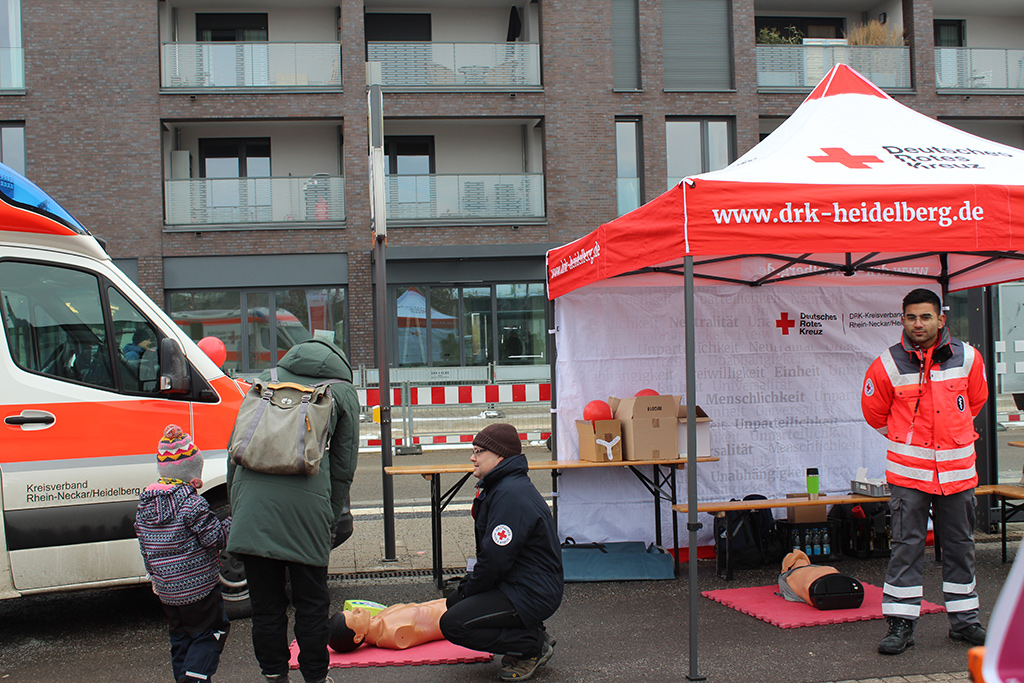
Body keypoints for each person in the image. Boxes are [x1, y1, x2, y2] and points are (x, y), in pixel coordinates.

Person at [861, 288, 988, 655]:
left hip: (957, 475)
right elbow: (874, 413)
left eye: (926, 317)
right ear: (902, 320)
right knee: (906, 549)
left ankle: (965, 622)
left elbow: (975, 401)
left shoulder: (968, 358)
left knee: (961, 548)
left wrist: (951, 435)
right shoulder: (887, 364)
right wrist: (906, 437)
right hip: (910, 477)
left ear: (941, 319)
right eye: (912, 317)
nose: (919, 324)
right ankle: (900, 625)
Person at [227, 339, 359, 683]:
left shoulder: (264, 381)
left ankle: (273, 675)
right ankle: (316, 677)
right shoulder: (341, 392)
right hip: (308, 506)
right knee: (311, 603)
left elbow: (236, 447)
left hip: (252, 507)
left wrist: (239, 506)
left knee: (266, 607)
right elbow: (344, 465)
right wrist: (329, 517)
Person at [439, 423, 563, 682]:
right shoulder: (504, 486)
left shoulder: (510, 495)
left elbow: (494, 560)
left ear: (500, 455)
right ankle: (529, 631)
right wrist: (465, 590)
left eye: (478, 451)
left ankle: (532, 644)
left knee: (453, 624)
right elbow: (493, 557)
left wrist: (468, 590)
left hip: (531, 592)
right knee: (455, 603)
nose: (472, 457)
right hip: (519, 583)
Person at [135, 424, 231, 683]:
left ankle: (185, 677)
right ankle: (195, 679)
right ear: (192, 474)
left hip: (167, 590)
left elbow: (144, 545)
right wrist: (233, 521)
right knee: (211, 633)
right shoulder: (192, 503)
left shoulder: (145, 504)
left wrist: (155, 577)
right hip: (199, 588)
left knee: (181, 638)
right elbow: (216, 538)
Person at [328, 599, 448, 652]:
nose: (357, 610)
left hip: (451, 601)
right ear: (358, 637)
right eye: (354, 617)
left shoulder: (379, 617)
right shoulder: (395, 634)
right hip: (457, 614)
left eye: (352, 611)